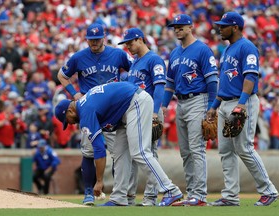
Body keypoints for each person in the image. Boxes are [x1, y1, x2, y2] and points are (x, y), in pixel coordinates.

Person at [54, 82, 183, 206]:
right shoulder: (85, 104)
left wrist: (99, 181)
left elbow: (99, 150)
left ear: (70, 111)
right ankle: (119, 198)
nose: (70, 124)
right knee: (120, 153)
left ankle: (171, 190)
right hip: (124, 110)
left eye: (68, 121)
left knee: (139, 152)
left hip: (135, 101)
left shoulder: (85, 112)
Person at [207, 11, 279, 206]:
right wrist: (214, 106)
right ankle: (230, 196)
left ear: (236, 27)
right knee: (225, 151)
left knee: (244, 148)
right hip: (225, 103)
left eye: (223, 25)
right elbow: (225, 82)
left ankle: (269, 190)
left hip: (243, 101)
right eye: (219, 25)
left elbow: (251, 76)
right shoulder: (227, 50)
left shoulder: (247, 47)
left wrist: (241, 103)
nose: (219, 28)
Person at [57, 23, 132, 205]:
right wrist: (74, 94)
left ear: (104, 37)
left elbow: (134, 69)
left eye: (97, 39)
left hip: (113, 111)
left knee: (119, 154)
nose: (94, 43)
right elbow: (61, 75)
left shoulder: (117, 54)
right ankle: (88, 192)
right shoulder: (79, 57)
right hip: (90, 111)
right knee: (89, 152)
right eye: (91, 40)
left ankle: (118, 192)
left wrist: (127, 86)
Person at [162, 14, 219, 206]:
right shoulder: (175, 53)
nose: (177, 29)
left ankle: (200, 195)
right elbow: (169, 84)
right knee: (185, 151)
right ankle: (192, 192)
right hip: (181, 102)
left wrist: (212, 107)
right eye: (175, 27)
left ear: (190, 27)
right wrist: (163, 105)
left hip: (199, 99)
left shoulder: (203, 49)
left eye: (180, 26)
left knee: (196, 149)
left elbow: (212, 80)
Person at [116, 27, 166, 206]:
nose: (128, 46)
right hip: (136, 112)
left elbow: (160, 86)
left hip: (150, 110)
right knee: (134, 154)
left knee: (149, 153)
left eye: (130, 42)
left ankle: (151, 197)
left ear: (140, 39)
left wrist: (154, 112)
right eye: (126, 43)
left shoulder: (154, 59)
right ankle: (129, 197)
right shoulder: (135, 62)